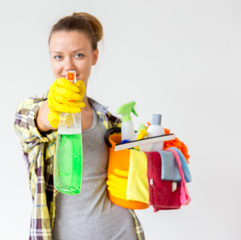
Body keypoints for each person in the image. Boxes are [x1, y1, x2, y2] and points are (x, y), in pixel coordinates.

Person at [14, 12, 145, 240]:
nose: (68, 66)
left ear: (94, 56)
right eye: (58, 57)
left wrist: (154, 156)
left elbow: (132, 183)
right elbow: (33, 121)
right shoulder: (32, 111)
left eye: (79, 55)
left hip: (121, 232)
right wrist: (51, 110)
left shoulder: (111, 122)